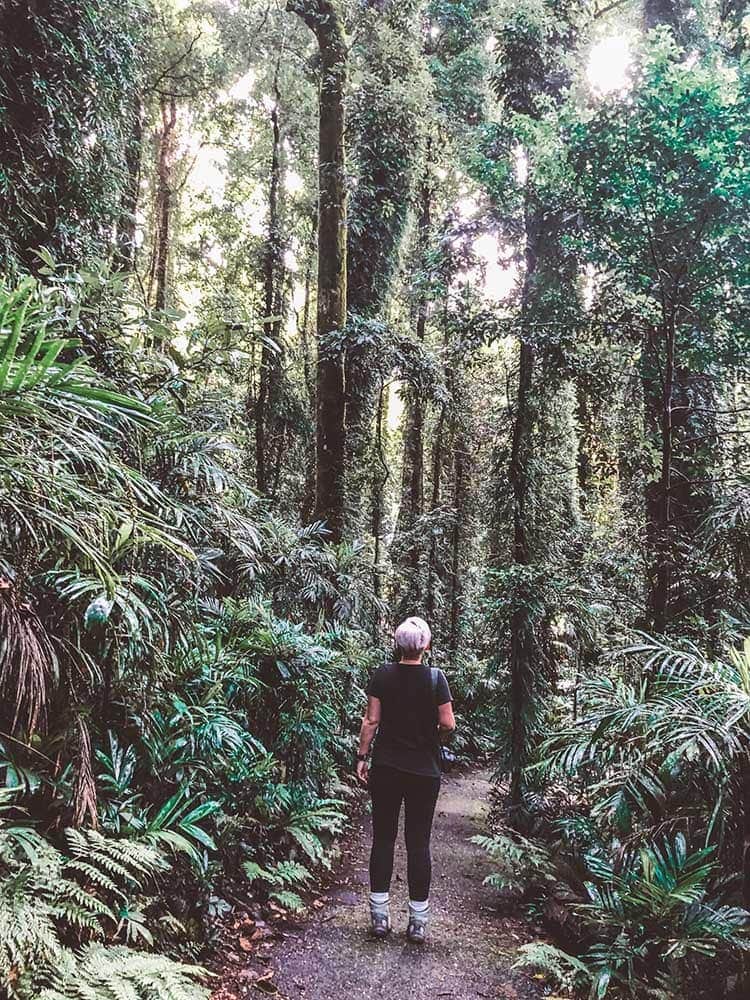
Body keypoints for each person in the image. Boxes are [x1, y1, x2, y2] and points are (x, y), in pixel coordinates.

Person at [356, 616, 456, 943]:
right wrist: (432, 737)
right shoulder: (435, 679)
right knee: (418, 843)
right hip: (424, 772)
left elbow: (371, 721)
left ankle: (380, 916)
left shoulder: (383, 675)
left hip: (386, 767)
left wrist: (362, 756)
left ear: (398, 644)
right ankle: (417, 922)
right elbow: (448, 724)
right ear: (425, 646)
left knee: (383, 838)